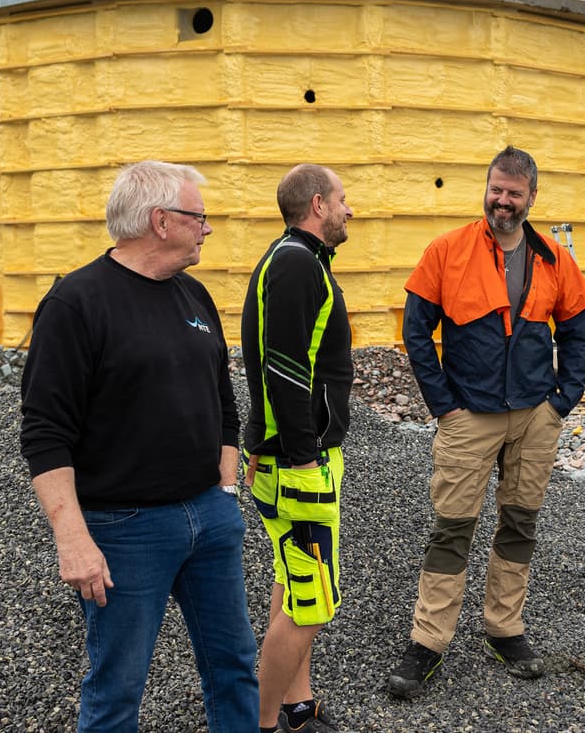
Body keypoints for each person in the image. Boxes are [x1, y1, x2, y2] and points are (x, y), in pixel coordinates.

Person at [19, 160, 259, 731]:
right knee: (118, 687)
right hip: (124, 530)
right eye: (198, 217)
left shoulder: (194, 295)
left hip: (209, 516)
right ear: (160, 221)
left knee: (234, 666)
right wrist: (73, 540)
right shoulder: (76, 304)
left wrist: (224, 489)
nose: (207, 228)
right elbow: (44, 432)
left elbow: (223, 399)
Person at [387, 146, 585, 698]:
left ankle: (504, 628)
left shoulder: (553, 257)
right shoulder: (447, 249)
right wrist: (445, 406)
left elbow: (577, 330)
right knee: (452, 527)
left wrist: (561, 401)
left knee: (520, 521)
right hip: (469, 417)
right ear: (486, 188)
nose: (503, 201)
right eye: (496, 190)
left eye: (514, 193)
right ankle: (428, 641)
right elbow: (415, 332)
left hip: (534, 415)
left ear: (532, 197)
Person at [241, 164, 354, 733]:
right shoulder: (293, 264)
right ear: (317, 204)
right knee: (313, 604)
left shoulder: (297, 260)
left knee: (295, 584)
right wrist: (304, 458)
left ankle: (298, 709)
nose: (348, 210)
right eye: (342, 200)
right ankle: (256, 723)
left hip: (291, 454)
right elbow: (283, 369)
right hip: (298, 463)